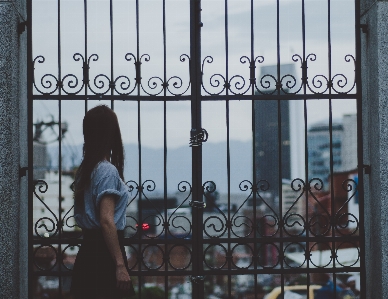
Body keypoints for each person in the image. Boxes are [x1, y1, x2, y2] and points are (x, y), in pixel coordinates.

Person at [70, 105, 134, 299]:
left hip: (88, 253)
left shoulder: (87, 169)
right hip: (104, 256)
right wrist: (120, 265)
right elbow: (106, 220)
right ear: (112, 133)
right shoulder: (107, 170)